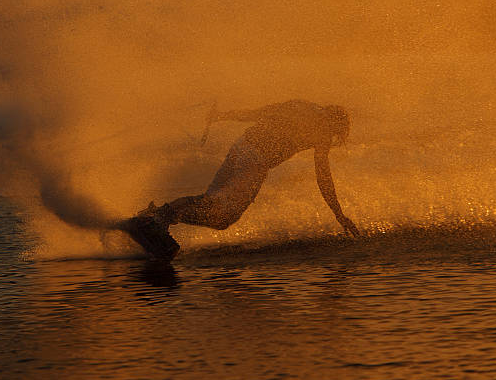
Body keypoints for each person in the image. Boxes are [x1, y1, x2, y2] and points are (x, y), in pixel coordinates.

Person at [120, 99, 359, 261]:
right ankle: (159, 218)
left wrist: (225, 116)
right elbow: (323, 176)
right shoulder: (323, 129)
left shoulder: (299, 105)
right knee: (223, 215)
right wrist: (338, 214)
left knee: (211, 205)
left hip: (240, 147)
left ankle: (157, 216)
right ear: (334, 122)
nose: (332, 137)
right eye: (336, 132)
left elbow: (259, 113)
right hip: (254, 161)